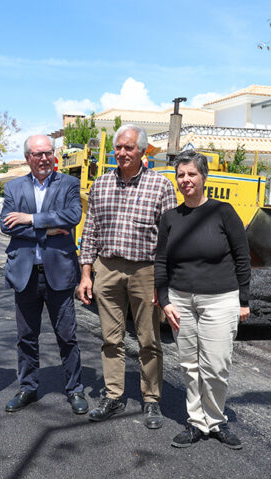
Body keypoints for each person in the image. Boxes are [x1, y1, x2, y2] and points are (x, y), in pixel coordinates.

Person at [77, 124, 177, 428]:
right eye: (118, 147)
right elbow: (90, 230)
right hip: (106, 269)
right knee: (111, 338)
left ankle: (151, 400)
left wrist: (165, 282)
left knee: (148, 340)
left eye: (128, 148)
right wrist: (85, 274)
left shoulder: (161, 186)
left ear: (143, 151)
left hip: (145, 271)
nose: (121, 153)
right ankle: (113, 395)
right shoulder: (101, 184)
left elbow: (169, 239)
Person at [154, 150, 251, 449]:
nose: (185, 180)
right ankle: (196, 422)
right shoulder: (170, 218)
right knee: (189, 364)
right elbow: (160, 263)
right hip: (180, 301)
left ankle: (216, 420)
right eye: (180, 175)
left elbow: (242, 257)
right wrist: (164, 299)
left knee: (216, 364)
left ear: (203, 177)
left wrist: (243, 300)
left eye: (191, 174)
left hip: (220, 300)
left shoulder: (223, 212)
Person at [1, 134, 88, 415]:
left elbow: (73, 215)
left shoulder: (70, 184)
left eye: (47, 153)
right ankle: (28, 387)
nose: (43, 158)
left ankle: (74, 390)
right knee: (26, 336)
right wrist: (49, 228)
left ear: (54, 155)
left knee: (67, 336)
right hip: (25, 274)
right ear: (28, 158)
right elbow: (6, 225)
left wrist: (30, 219)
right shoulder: (14, 187)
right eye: (37, 154)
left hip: (59, 273)